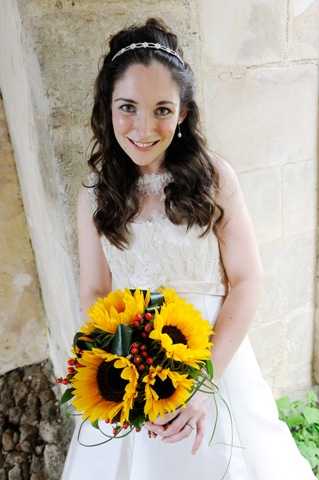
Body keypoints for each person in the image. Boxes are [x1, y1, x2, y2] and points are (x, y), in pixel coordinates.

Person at [62, 17, 316, 480]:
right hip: (135, 358)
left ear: (182, 113)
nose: (143, 127)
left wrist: (202, 383)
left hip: (216, 359)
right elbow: (95, 291)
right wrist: (128, 374)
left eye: (162, 108)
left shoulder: (213, 178)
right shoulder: (94, 196)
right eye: (128, 107)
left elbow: (246, 279)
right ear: (107, 106)